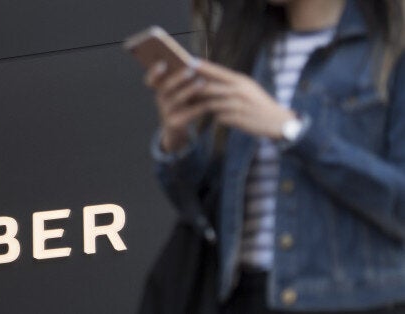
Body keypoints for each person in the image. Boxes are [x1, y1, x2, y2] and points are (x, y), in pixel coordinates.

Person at [144, 0, 405, 313]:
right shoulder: (251, 53)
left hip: (347, 298)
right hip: (244, 294)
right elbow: (205, 207)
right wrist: (177, 138)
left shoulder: (389, 53)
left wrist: (292, 132)